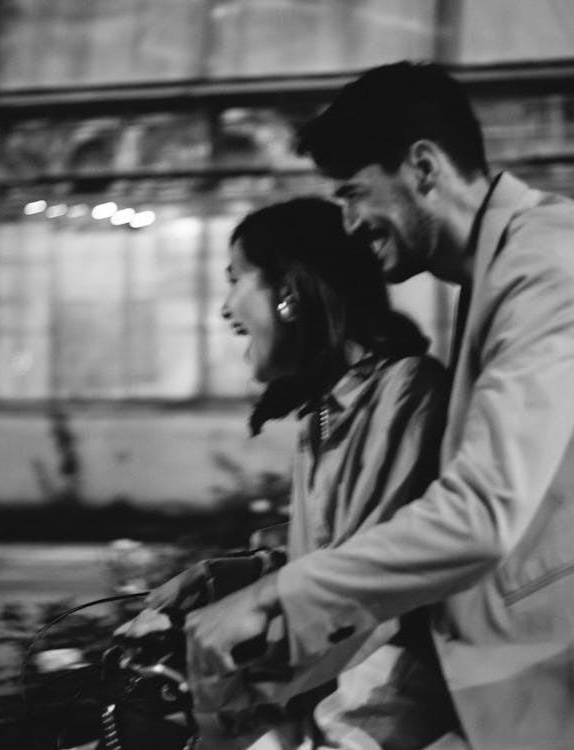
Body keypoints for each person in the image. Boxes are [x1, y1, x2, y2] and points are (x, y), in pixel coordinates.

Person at [183, 61, 574, 750]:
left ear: (422, 168)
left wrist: (272, 597)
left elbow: (480, 514)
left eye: (353, 195)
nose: (347, 223)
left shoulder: (540, 271)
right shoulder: (506, 265)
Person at [120, 197, 461, 749]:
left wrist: (241, 685)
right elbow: (320, 559)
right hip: (327, 707)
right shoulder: (322, 412)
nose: (226, 308)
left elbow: (369, 588)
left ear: (288, 292)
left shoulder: (404, 391)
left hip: (380, 717)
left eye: (236, 280)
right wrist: (220, 580)